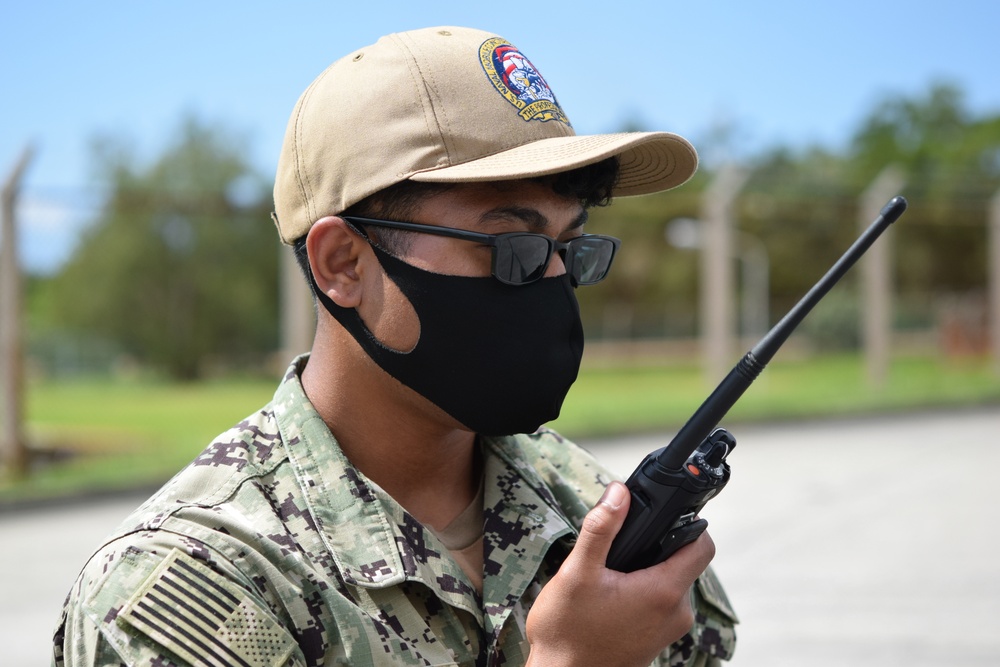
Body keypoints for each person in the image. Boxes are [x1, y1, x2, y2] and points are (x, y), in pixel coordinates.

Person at [52, 25, 737, 667]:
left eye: (569, 247)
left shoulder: (587, 507)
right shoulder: (195, 590)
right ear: (344, 263)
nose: (554, 281)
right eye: (514, 248)